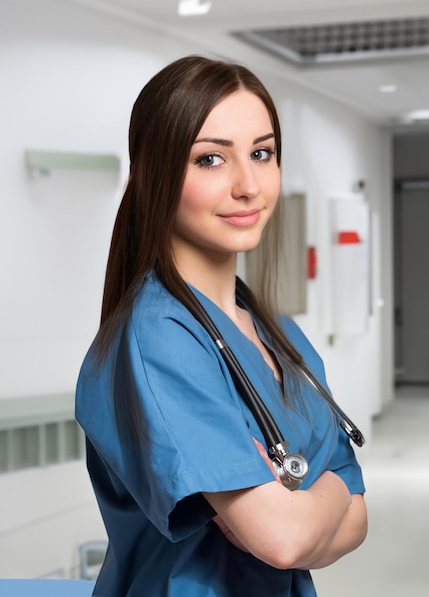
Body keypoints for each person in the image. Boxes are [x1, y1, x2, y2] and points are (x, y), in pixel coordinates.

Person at [75, 54, 367, 597]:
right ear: (156, 172)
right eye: (211, 160)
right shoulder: (158, 340)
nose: (248, 185)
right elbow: (284, 539)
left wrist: (304, 507)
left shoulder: (279, 336)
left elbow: (359, 519)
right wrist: (321, 495)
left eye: (262, 153)